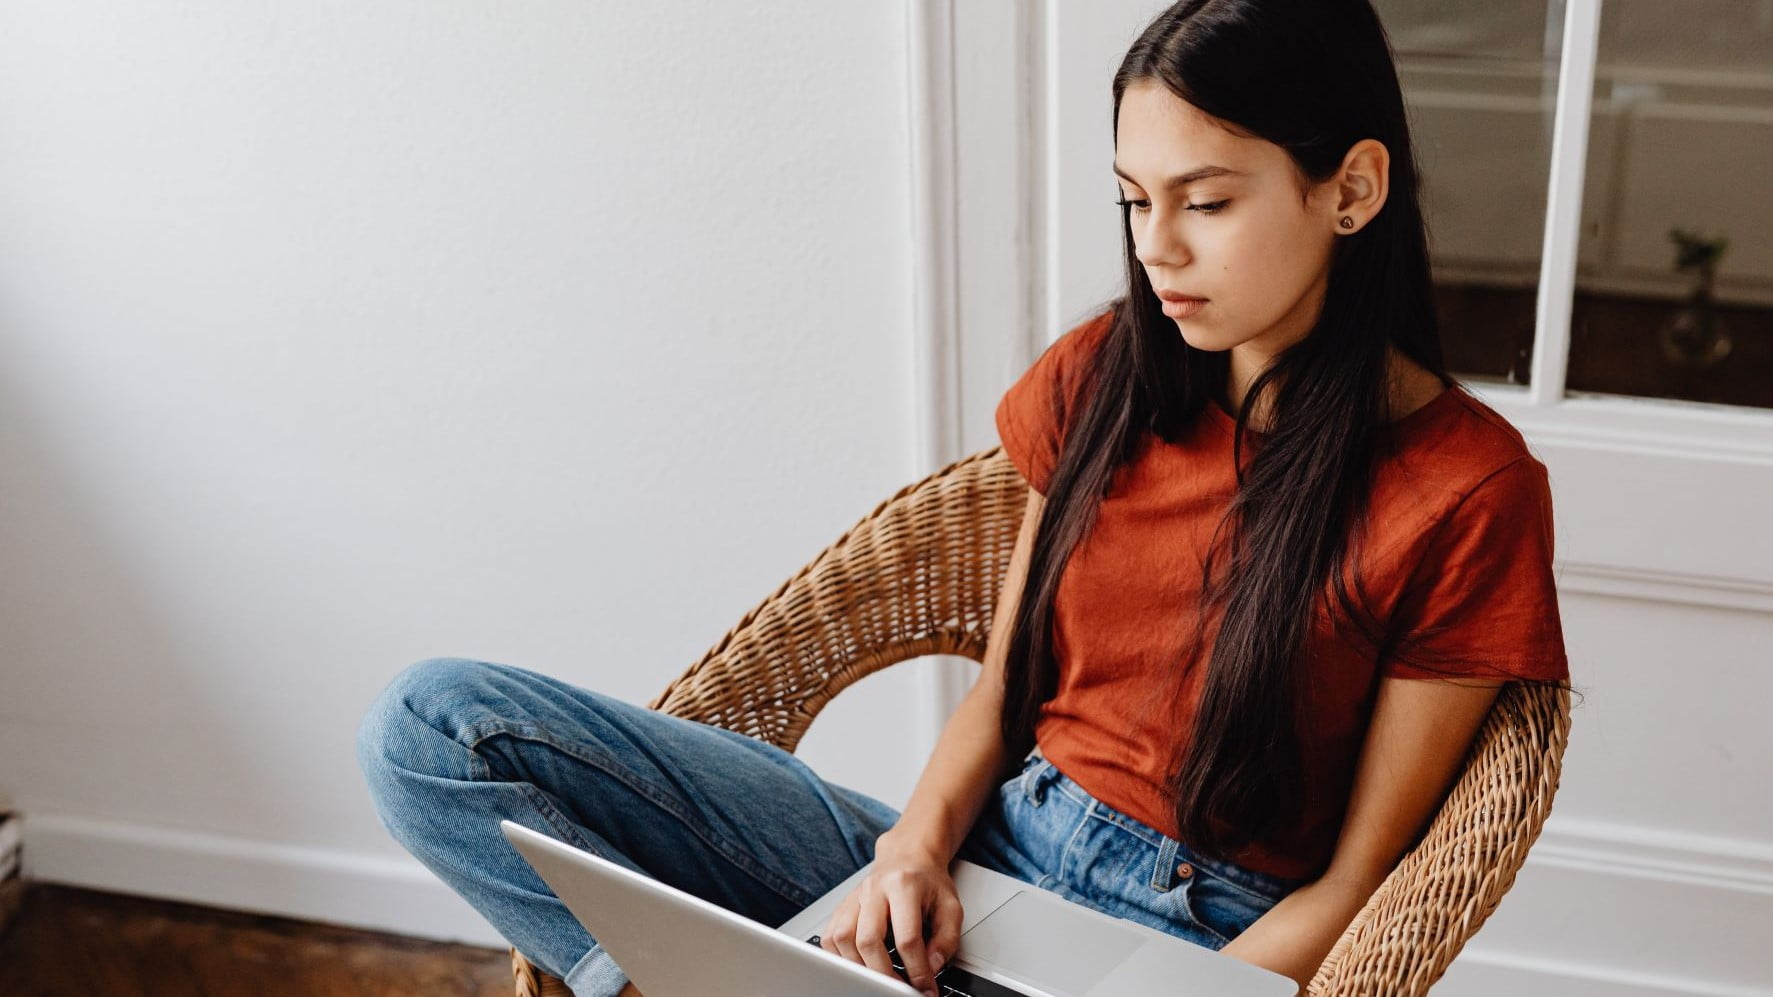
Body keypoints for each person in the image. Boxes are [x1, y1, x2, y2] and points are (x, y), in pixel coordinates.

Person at [356, 1, 1576, 995]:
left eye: (1205, 201)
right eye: (1134, 198)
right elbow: (1002, 695)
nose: (1157, 248)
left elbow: (1355, 883)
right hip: (985, 857)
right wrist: (912, 852)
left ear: (1351, 191)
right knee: (430, 727)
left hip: (1197, 943)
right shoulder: (1110, 374)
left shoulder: (1470, 490)